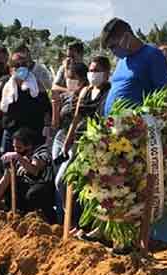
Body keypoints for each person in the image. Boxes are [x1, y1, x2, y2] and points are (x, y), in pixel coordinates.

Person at [57, 56, 112, 225]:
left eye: (97, 71)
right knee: (63, 181)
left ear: (106, 73)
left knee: (90, 187)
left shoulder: (109, 92)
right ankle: (70, 220)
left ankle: (85, 224)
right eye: (91, 70)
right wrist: (68, 140)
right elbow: (76, 117)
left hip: (96, 144)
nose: (92, 74)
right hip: (79, 142)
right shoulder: (85, 91)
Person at [0, 51, 52, 159]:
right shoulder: (4, 85)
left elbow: (47, 111)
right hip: (11, 134)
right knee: (6, 164)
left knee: (28, 170)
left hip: (32, 136)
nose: (21, 68)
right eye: (17, 65)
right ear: (11, 68)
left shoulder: (37, 86)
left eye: (24, 65)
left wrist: (47, 133)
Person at [0, 127, 55, 222]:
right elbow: (5, 180)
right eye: (14, 147)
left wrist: (18, 157)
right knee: (7, 186)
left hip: (43, 189)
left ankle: (47, 218)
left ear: (29, 146)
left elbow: (35, 170)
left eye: (19, 148)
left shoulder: (42, 152)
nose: (16, 150)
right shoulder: (16, 156)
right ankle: (17, 214)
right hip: (26, 187)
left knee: (33, 194)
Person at [100, 17, 167, 115]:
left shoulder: (152, 55)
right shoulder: (122, 60)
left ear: (126, 37)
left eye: (113, 46)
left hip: (136, 126)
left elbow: (165, 94)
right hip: (113, 126)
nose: (112, 51)